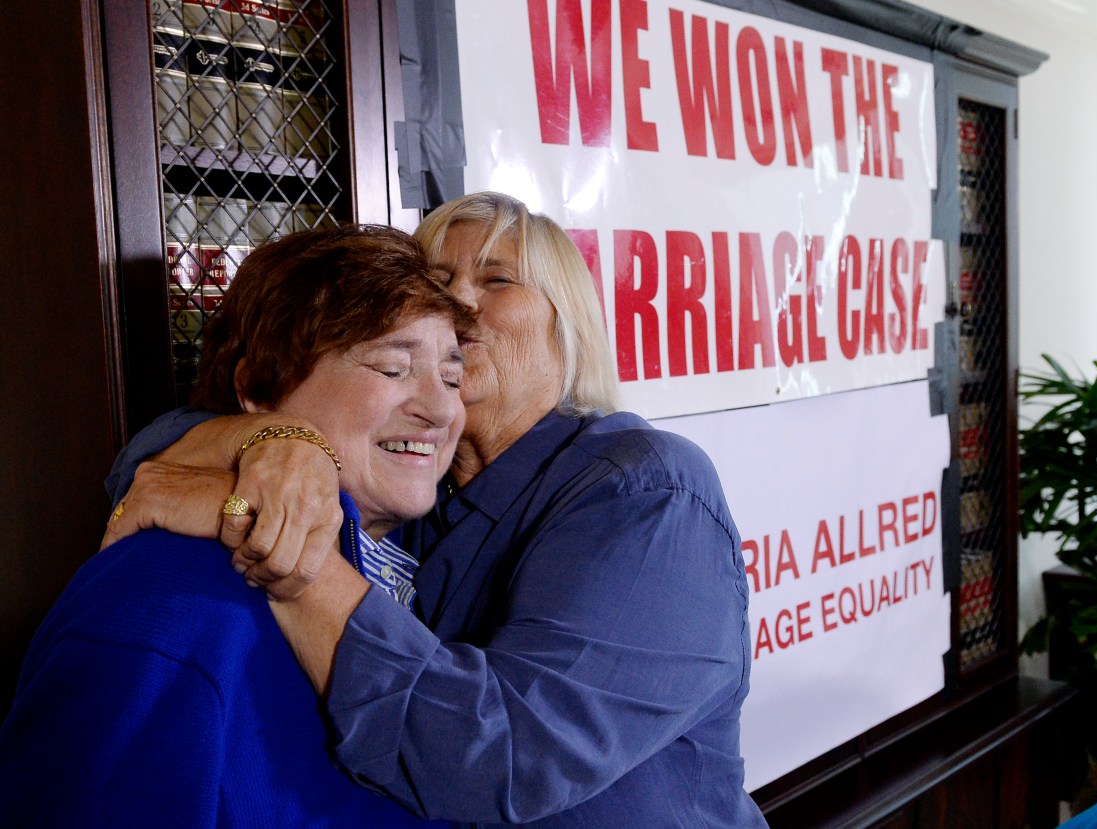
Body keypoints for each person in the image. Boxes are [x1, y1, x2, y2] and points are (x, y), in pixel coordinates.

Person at [105, 192, 766, 827]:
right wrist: (279, 442)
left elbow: (505, 757)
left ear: (568, 330)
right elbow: (151, 454)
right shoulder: (412, 484)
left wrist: (279, 541)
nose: (460, 299)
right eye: (440, 279)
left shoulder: (646, 491)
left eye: (498, 278)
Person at [0, 225, 473, 827]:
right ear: (257, 389)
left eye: (453, 377)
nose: (440, 410)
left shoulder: (442, 558)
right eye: (391, 368)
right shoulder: (166, 608)